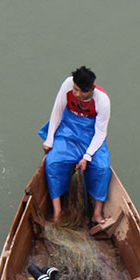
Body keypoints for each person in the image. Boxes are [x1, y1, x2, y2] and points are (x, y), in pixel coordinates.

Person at [38, 66, 112, 225]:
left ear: (91, 89)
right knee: (53, 162)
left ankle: (97, 214)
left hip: (90, 134)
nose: (76, 93)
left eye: (80, 91)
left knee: (103, 168)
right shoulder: (68, 85)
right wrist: (49, 140)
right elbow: (57, 111)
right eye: (75, 89)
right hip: (68, 129)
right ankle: (57, 212)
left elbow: (100, 133)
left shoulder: (103, 101)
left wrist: (87, 156)